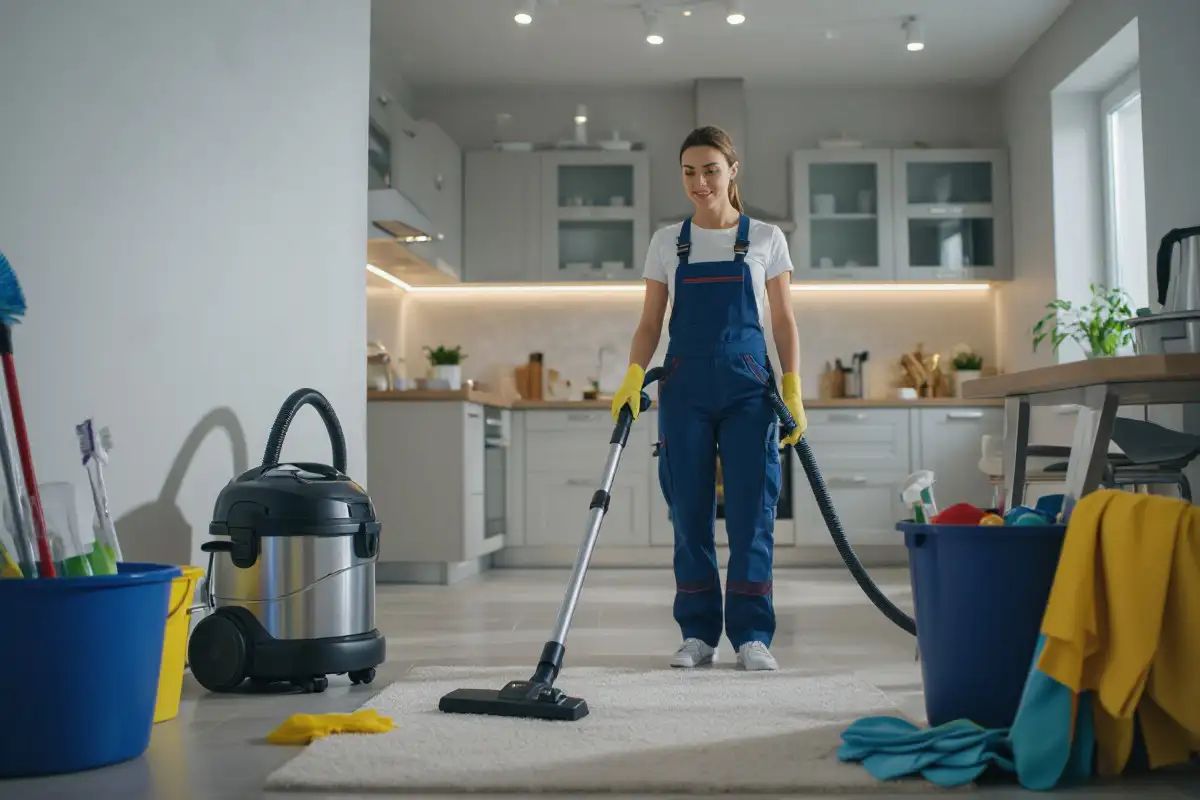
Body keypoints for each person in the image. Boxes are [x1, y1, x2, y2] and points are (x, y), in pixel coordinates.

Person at [610, 126, 807, 672]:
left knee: (752, 513)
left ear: (732, 170)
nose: (699, 182)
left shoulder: (766, 238)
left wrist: (792, 385)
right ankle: (697, 634)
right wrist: (632, 375)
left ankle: (751, 635)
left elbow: (785, 321)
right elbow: (651, 322)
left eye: (710, 170)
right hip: (684, 389)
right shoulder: (668, 242)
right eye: (690, 171)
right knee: (688, 513)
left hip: (749, 388)